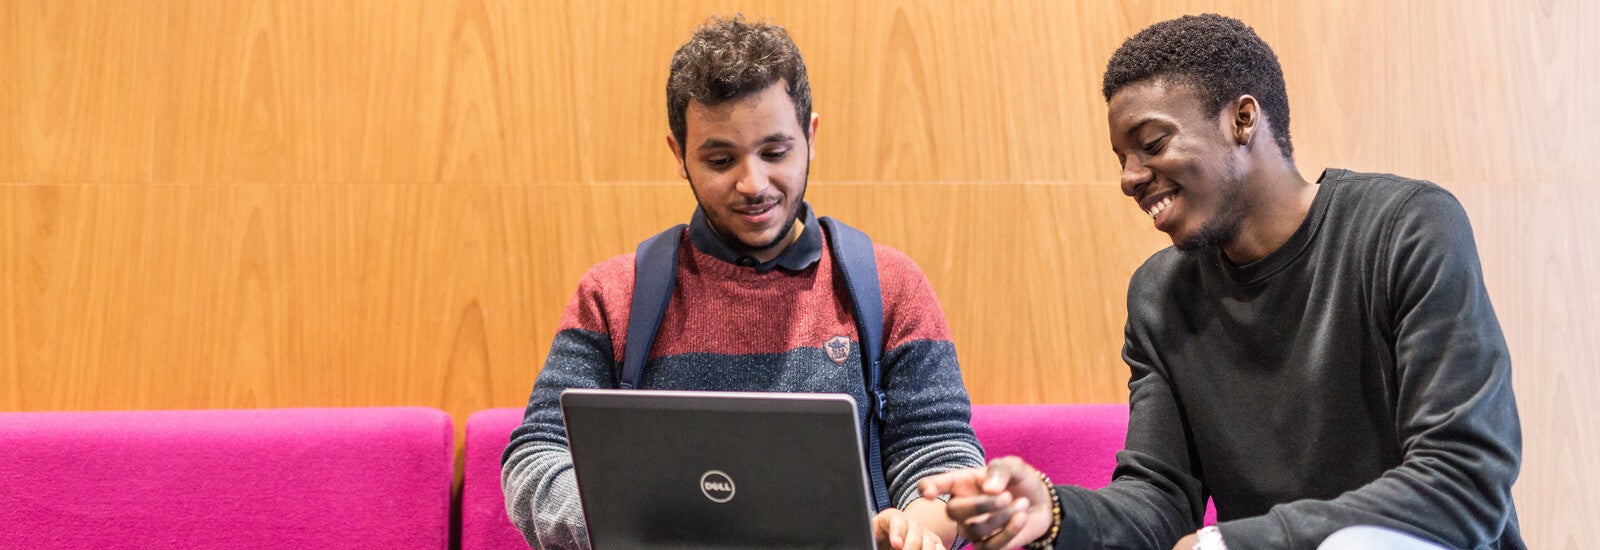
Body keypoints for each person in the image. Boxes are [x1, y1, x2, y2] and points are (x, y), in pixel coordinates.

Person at [919, 13, 1523, 550]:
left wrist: (1231, 541)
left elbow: (1464, 479)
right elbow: (1156, 499)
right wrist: (1052, 510)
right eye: (1120, 159)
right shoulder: (1160, 296)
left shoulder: (1406, 229)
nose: (1129, 179)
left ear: (1242, 119)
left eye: (1151, 144)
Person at [501, 15, 984, 550]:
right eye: (720, 159)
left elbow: (945, 460)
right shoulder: (615, 295)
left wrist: (916, 525)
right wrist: (635, 521)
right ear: (679, 155)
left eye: (775, 153)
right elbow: (535, 460)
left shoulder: (890, 287)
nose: (753, 184)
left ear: (811, 136)